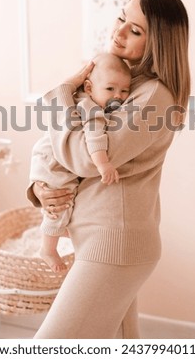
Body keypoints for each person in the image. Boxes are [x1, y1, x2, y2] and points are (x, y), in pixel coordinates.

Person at [27, 0, 190, 339]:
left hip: (115, 244)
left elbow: (87, 158)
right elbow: (58, 146)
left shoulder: (153, 96)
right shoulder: (123, 84)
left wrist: (61, 95)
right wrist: (41, 185)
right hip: (103, 241)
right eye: (121, 18)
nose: (118, 31)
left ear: (158, 43)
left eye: (135, 30)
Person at [31, 53, 132, 272]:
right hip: (54, 164)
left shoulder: (78, 99)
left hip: (45, 156)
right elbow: (95, 139)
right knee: (60, 203)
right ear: (88, 87)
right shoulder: (92, 109)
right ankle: (48, 248)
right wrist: (103, 164)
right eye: (110, 89)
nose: (119, 96)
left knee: (60, 203)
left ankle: (55, 231)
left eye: (124, 91)